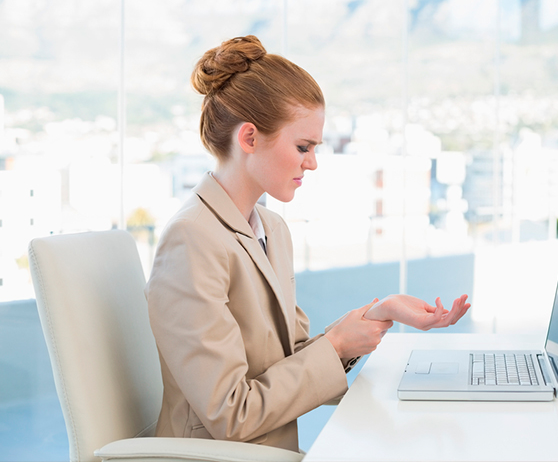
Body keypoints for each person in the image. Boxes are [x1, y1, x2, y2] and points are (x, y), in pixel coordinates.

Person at [145, 35, 471, 454]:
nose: (312, 162)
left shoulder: (271, 230)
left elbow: (288, 360)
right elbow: (231, 414)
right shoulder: (192, 239)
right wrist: (336, 345)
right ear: (249, 138)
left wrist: (375, 315)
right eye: (303, 146)